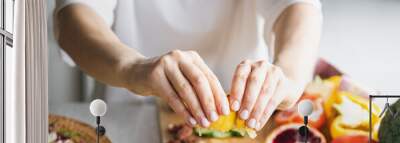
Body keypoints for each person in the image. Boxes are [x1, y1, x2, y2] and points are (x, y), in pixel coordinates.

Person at [55, 0, 322, 130]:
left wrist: (289, 76)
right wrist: (133, 68)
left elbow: (298, 7)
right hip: (125, 119)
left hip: (242, 122)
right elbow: (73, 17)